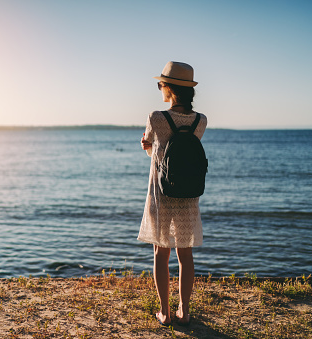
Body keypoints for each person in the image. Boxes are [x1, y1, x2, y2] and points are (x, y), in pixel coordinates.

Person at [138, 61, 207, 326]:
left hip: (162, 192)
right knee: (185, 254)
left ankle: (165, 313)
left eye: (161, 84)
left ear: (169, 88)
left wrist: (147, 146)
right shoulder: (201, 120)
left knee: (160, 252)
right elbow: (184, 152)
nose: (160, 88)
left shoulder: (156, 117)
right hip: (188, 193)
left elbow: (158, 158)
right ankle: (185, 311)